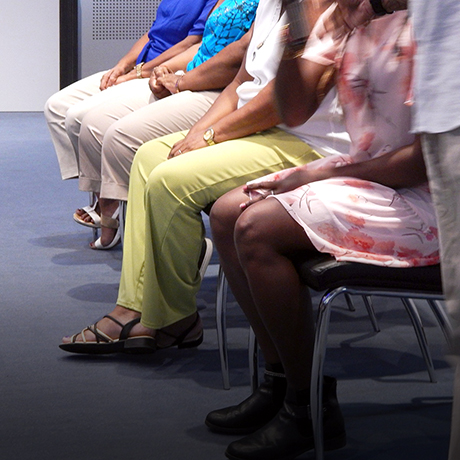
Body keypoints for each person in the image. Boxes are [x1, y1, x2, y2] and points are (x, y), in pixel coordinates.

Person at [205, 4, 439, 459]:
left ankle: (305, 408)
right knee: (227, 213)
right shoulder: (352, 13)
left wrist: (323, 175)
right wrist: (297, 24)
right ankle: (279, 382)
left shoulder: (433, 22)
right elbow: (294, 109)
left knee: (256, 228)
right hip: (370, 174)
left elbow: (424, 162)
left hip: (430, 197)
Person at [59, 0, 349, 353]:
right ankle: (133, 306)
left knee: (170, 180)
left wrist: (212, 135)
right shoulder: (274, 5)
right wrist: (197, 133)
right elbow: (242, 81)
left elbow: (281, 101)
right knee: (149, 157)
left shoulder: (326, 10)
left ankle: (173, 318)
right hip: (263, 129)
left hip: (308, 141)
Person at [325, 3, 460, 459]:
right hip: (430, 128)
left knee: (256, 224)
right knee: (242, 214)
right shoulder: (365, 20)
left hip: (431, 152)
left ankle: (300, 408)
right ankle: (292, 399)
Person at [71, 0, 260, 249]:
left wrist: (174, 81)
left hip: (214, 89)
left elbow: (237, 63)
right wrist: (165, 70)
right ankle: (124, 217)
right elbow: (203, 44)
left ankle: (161, 240)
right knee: (89, 121)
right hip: (190, 78)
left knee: (119, 137)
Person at [45, 0, 217, 181]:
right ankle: (95, 185)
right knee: (56, 107)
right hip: (140, 68)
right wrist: (122, 65)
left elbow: (192, 43)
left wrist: (138, 73)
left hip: (162, 73)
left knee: (80, 118)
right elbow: (152, 33)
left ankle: (105, 193)